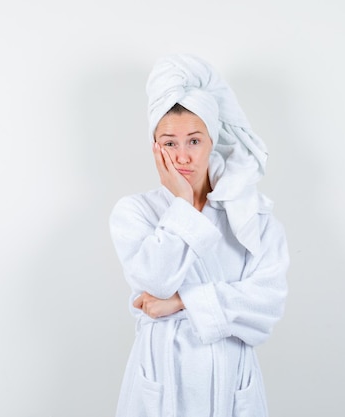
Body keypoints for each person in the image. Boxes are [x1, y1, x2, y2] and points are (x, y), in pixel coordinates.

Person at [108, 54, 289, 417]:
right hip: (161, 378)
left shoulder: (252, 217)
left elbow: (268, 305)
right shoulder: (134, 213)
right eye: (169, 143)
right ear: (155, 147)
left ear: (212, 139)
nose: (183, 157)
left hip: (230, 380)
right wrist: (184, 204)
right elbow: (157, 281)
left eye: (194, 141)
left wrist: (182, 302)